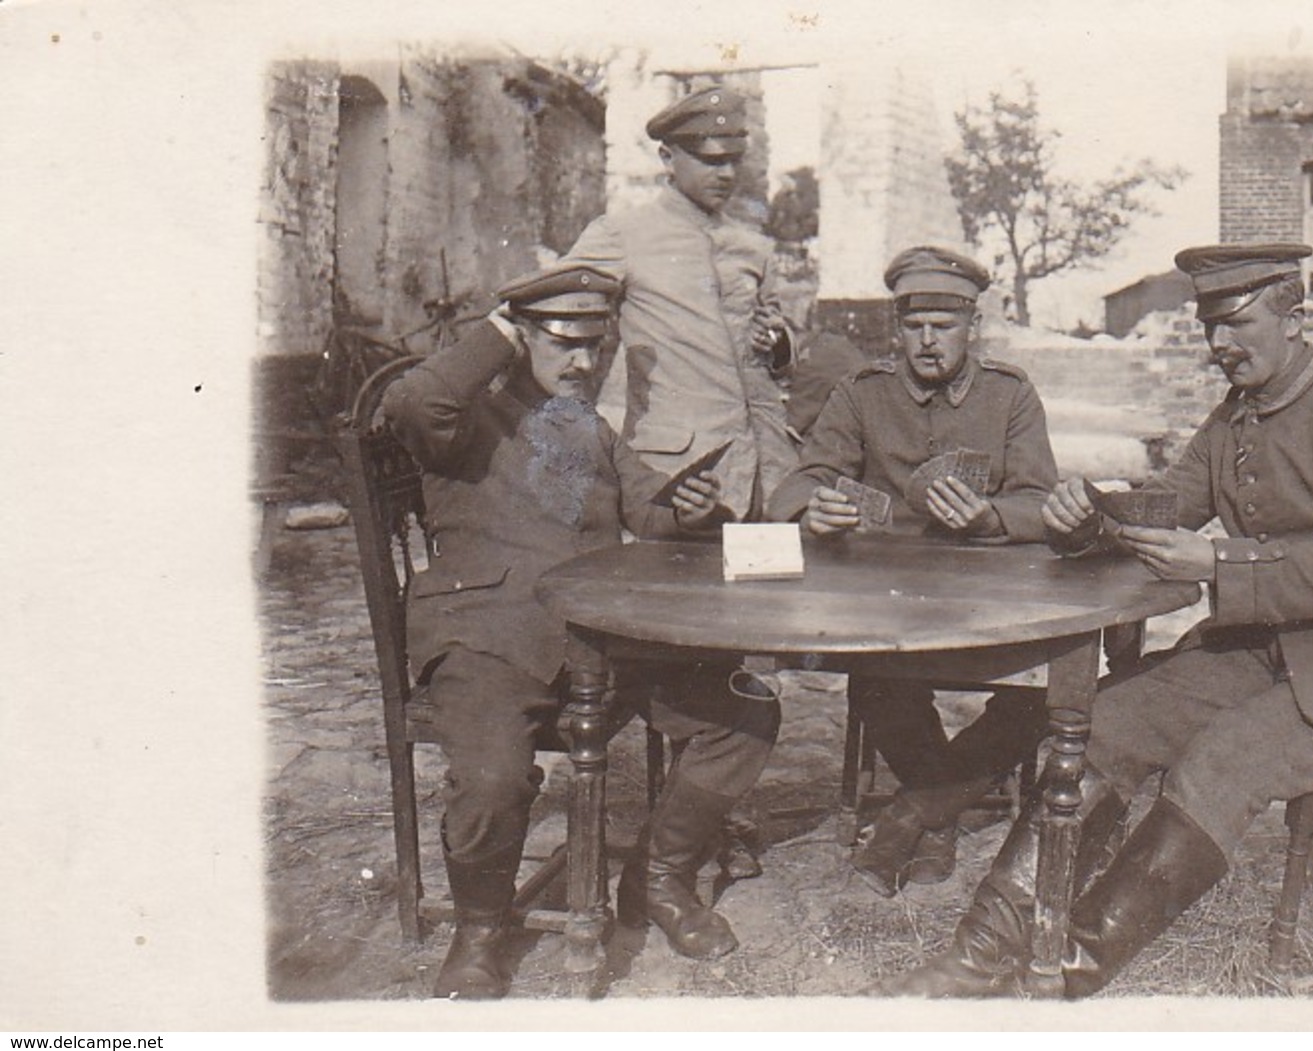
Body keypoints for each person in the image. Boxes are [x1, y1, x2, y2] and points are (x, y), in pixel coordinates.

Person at [879, 242, 1313, 998]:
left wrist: (1217, 566)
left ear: (1294, 319)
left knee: (1222, 760)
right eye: (1208, 326)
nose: (1218, 344)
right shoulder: (1236, 417)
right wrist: (1085, 512)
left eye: (1235, 323)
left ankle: (1063, 975)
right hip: (1272, 650)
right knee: (1106, 721)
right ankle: (976, 955)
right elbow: (1166, 502)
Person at [382, 264, 781, 1000]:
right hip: (488, 640)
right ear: (517, 337)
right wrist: (495, 335)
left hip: (598, 641)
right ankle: (480, 926)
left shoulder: (589, 426)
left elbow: (651, 516)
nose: (584, 363)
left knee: (744, 710)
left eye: (596, 346)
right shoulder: (464, 415)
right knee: (493, 778)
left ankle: (657, 878)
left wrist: (689, 508)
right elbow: (411, 400)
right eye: (564, 343)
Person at [766, 245, 1059, 897]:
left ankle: (913, 813)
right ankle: (937, 819)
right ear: (896, 329)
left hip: (989, 594)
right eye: (915, 326)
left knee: (1041, 695)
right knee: (875, 681)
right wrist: (812, 506)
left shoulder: (1009, 395)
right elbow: (804, 477)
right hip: (887, 595)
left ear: (971, 326)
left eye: (944, 326)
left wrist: (990, 518)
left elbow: (1042, 499)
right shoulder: (860, 393)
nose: (928, 342)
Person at [562, 82, 798, 523]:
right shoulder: (621, 235)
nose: (726, 174)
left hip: (766, 468)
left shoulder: (753, 247)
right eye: (711, 160)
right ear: (668, 158)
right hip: (679, 474)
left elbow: (780, 356)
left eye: (732, 161)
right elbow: (549, 307)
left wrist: (779, 342)